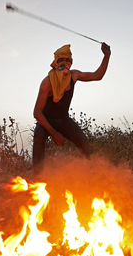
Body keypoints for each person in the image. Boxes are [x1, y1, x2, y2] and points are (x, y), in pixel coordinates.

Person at [32, 42, 111, 175]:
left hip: (64, 120)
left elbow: (97, 76)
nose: (64, 63)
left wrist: (107, 56)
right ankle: (37, 178)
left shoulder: (74, 75)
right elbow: (37, 113)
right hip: (46, 120)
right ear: (55, 61)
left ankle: (84, 175)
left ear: (71, 61)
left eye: (67, 60)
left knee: (84, 143)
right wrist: (53, 133)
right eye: (61, 60)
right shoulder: (47, 82)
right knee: (39, 136)